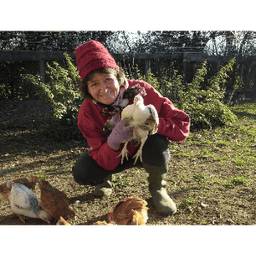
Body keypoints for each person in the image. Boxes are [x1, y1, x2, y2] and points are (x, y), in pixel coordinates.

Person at [72, 40, 190, 216]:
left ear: (118, 77)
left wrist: (155, 124)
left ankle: (158, 188)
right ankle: (105, 180)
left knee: (157, 141)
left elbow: (182, 126)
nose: (104, 89)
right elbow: (98, 150)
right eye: (94, 84)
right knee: (82, 171)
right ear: (87, 89)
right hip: (116, 156)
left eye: (107, 79)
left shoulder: (142, 91)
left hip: (143, 151)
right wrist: (113, 140)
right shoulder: (87, 112)